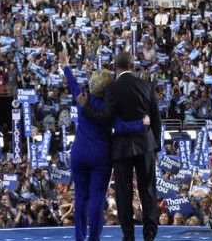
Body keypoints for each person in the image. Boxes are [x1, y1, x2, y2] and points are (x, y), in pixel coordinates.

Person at [61, 53, 150, 241]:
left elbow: (72, 84)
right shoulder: (110, 108)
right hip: (100, 156)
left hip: (79, 154)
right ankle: (94, 238)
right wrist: (141, 124)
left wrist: (66, 67)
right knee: (96, 200)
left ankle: (79, 237)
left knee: (81, 197)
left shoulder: (82, 98)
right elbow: (121, 127)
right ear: (109, 87)